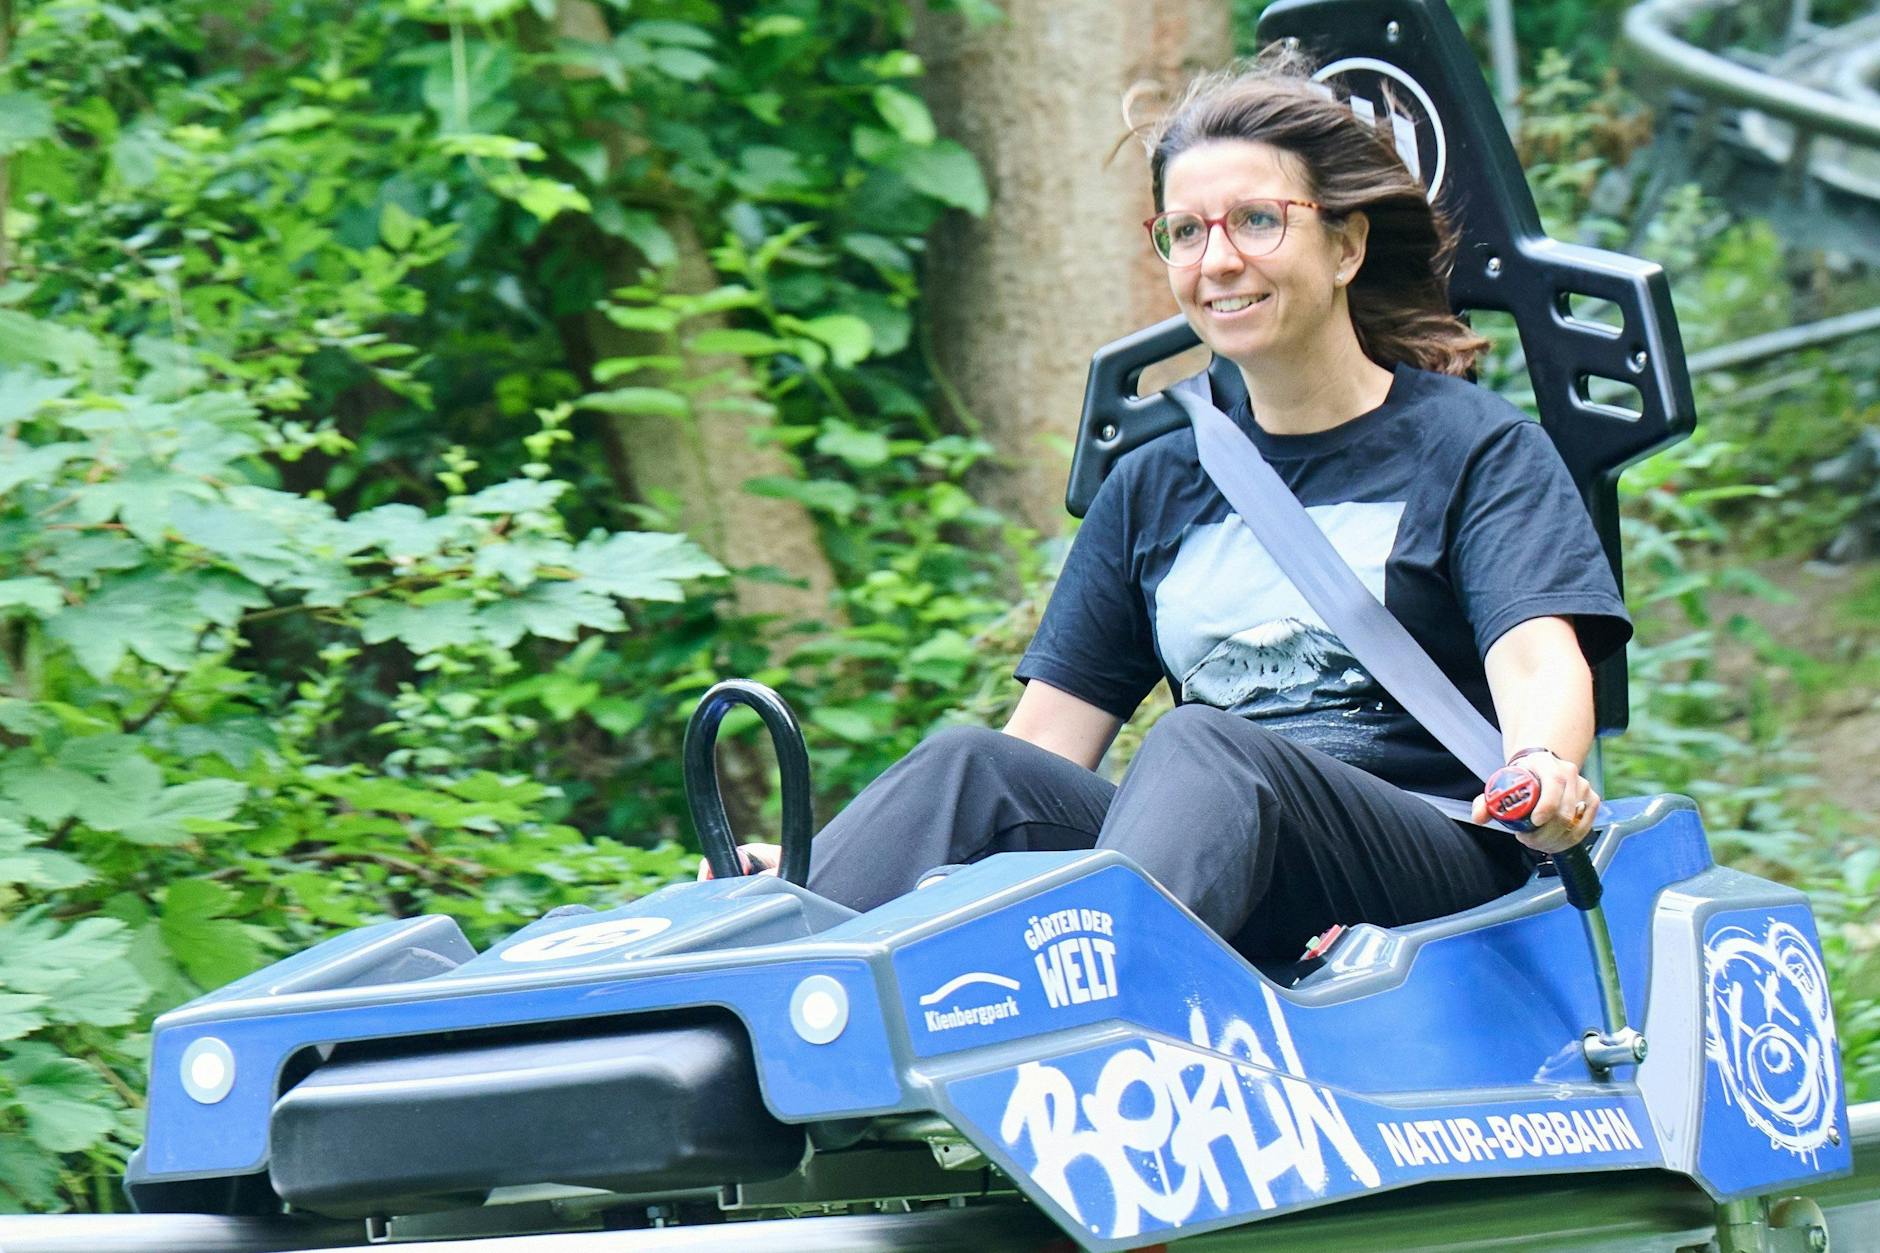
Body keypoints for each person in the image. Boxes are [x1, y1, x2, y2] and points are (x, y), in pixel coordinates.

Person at [715, 48, 1631, 963]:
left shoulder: (1475, 447)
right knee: (973, 765)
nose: (1217, 261)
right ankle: (770, 945)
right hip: (1208, 841)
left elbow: (1537, 663)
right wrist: (842, 867)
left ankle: (1097, 988)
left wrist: (1543, 766)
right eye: (1186, 232)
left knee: (1201, 743)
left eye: (1258, 221)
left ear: (1346, 245)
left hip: (1430, 854)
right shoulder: (1153, 485)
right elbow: (1042, 753)